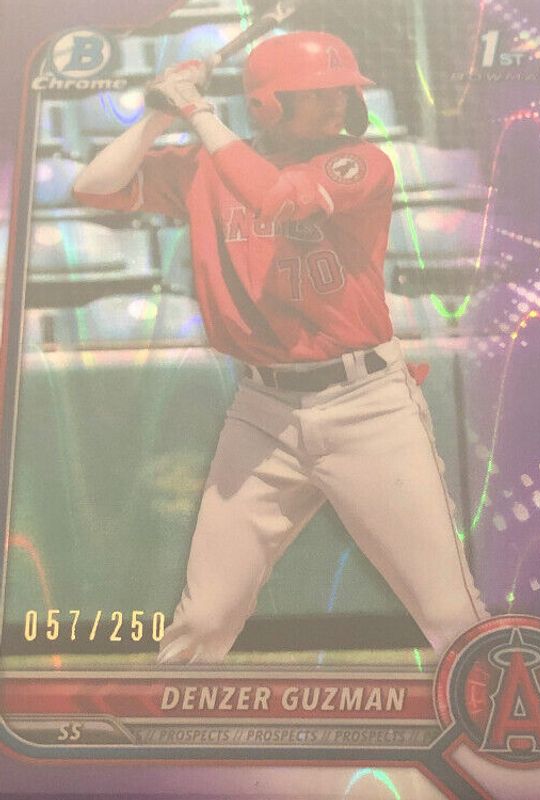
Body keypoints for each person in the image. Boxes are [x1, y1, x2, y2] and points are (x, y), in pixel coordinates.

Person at [74, 31, 488, 665]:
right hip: (262, 412)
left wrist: (196, 108)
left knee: (452, 616)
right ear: (267, 105)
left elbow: (279, 199)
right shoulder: (207, 166)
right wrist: (160, 111)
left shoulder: (358, 162)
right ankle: (170, 724)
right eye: (317, 94)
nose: (338, 103)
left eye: (341, 92)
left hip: (367, 406)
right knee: (203, 620)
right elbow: (94, 187)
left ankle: (509, 719)